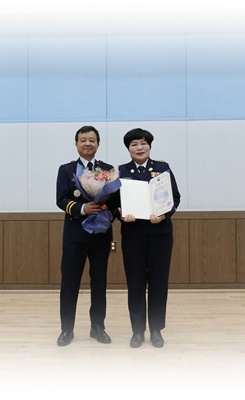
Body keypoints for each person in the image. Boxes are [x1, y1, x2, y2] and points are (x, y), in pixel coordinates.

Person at [115, 128, 181, 348]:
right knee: (135, 283)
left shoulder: (162, 168)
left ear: (150, 146)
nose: (139, 147)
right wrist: (121, 214)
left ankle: (156, 329)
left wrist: (164, 215)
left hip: (160, 234)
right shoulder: (122, 171)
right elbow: (114, 202)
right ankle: (137, 331)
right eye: (134, 144)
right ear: (128, 149)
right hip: (133, 235)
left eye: (143, 143)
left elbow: (175, 198)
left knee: (158, 282)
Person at [55, 125, 116, 346]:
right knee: (69, 283)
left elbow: (115, 200)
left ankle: (97, 327)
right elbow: (61, 199)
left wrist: (107, 211)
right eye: (83, 140)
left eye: (92, 140)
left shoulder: (108, 170)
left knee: (99, 283)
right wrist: (82, 208)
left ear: (98, 144)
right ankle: (66, 329)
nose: (87, 143)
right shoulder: (66, 170)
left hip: (100, 235)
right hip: (74, 235)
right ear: (76, 144)